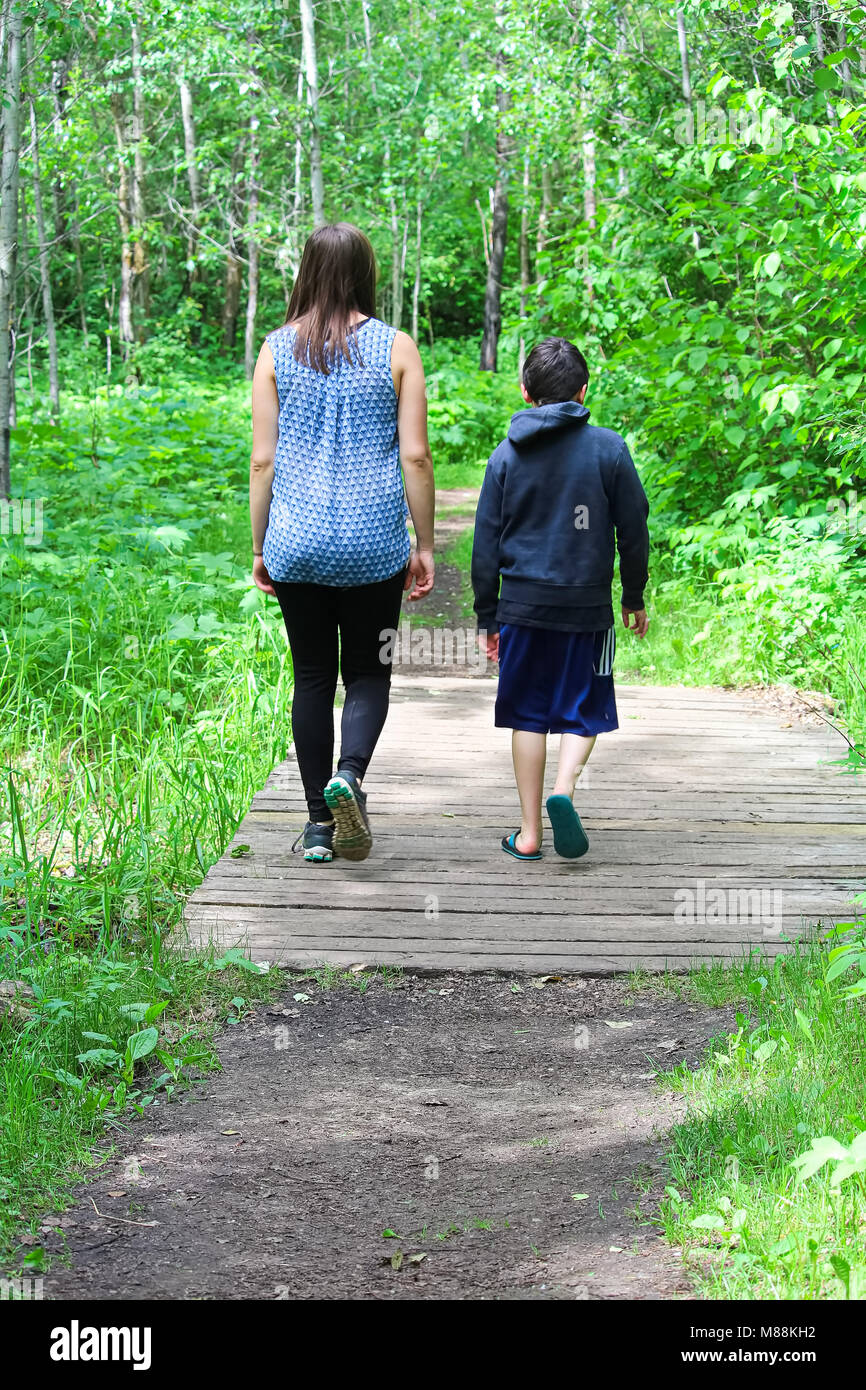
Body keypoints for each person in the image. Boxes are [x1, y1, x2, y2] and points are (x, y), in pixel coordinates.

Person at [250, 223, 435, 864]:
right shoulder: (396, 347)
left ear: (306, 270)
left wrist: (259, 547)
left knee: (309, 679)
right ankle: (349, 778)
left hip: (296, 538)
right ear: (364, 272)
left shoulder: (275, 349)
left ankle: (318, 828)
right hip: (374, 538)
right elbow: (414, 456)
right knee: (366, 673)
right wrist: (427, 543)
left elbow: (262, 464)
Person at [471, 336, 649, 861]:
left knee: (528, 714)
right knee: (584, 708)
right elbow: (633, 528)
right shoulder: (609, 449)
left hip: (523, 608)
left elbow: (486, 541)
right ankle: (564, 790)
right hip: (588, 610)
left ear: (526, 392)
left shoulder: (505, 456)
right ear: (583, 389)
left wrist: (488, 616)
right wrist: (633, 594)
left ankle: (528, 835)